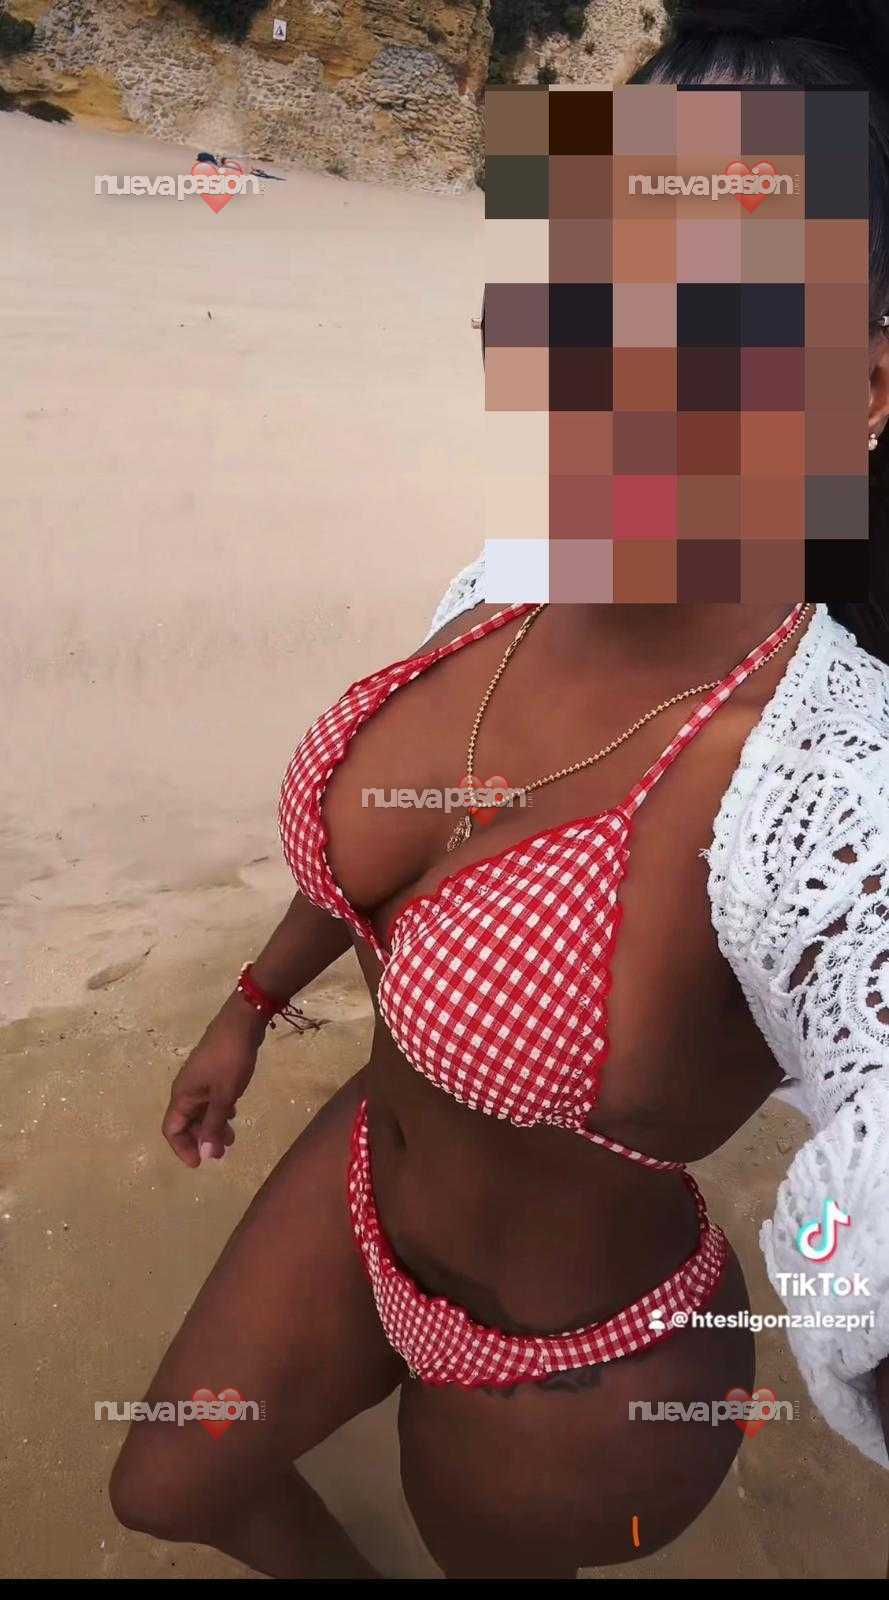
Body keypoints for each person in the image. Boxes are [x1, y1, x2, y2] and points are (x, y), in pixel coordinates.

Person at [110, 2, 889, 1579]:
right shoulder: (505, 582)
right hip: (357, 1181)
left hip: (571, 1381)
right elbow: (400, 856)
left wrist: (841, 1274)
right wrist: (253, 1002)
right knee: (167, 1488)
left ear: (856, 387)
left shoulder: (823, 784)